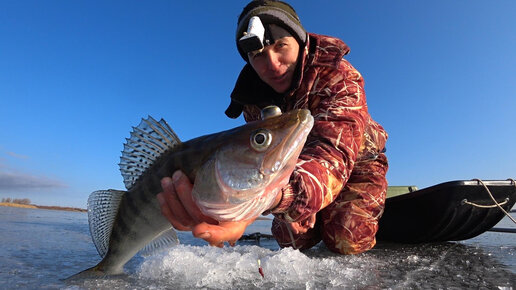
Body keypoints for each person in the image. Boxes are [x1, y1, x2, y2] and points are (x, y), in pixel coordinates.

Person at [156, 0, 388, 254]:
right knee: (291, 242)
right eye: (257, 56)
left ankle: (357, 212)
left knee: (346, 238)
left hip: (354, 167)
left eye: (281, 46)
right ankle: (320, 214)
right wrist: (240, 217)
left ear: (300, 41)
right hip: (287, 177)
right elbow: (260, 162)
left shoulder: (339, 75)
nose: (272, 65)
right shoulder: (252, 100)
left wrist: (280, 198)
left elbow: (332, 155)